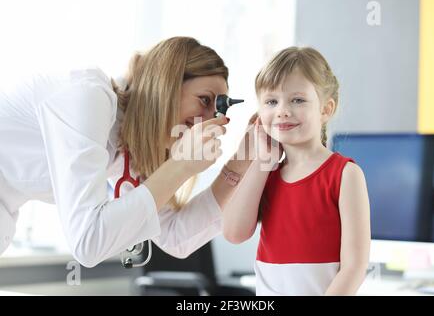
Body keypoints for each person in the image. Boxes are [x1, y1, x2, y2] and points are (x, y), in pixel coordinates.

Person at [0, 36, 252, 267]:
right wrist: (181, 165)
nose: (209, 121)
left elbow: (176, 237)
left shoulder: (130, 144)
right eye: (205, 100)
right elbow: (88, 243)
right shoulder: (89, 98)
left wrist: (240, 163)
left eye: (219, 110)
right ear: (167, 84)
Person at [222, 46, 371, 295]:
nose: (282, 110)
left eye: (298, 100)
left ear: (325, 109)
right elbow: (234, 233)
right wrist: (262, 161)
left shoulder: (345, 174)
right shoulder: (264, 173)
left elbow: (354, 267)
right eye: (271, 101)